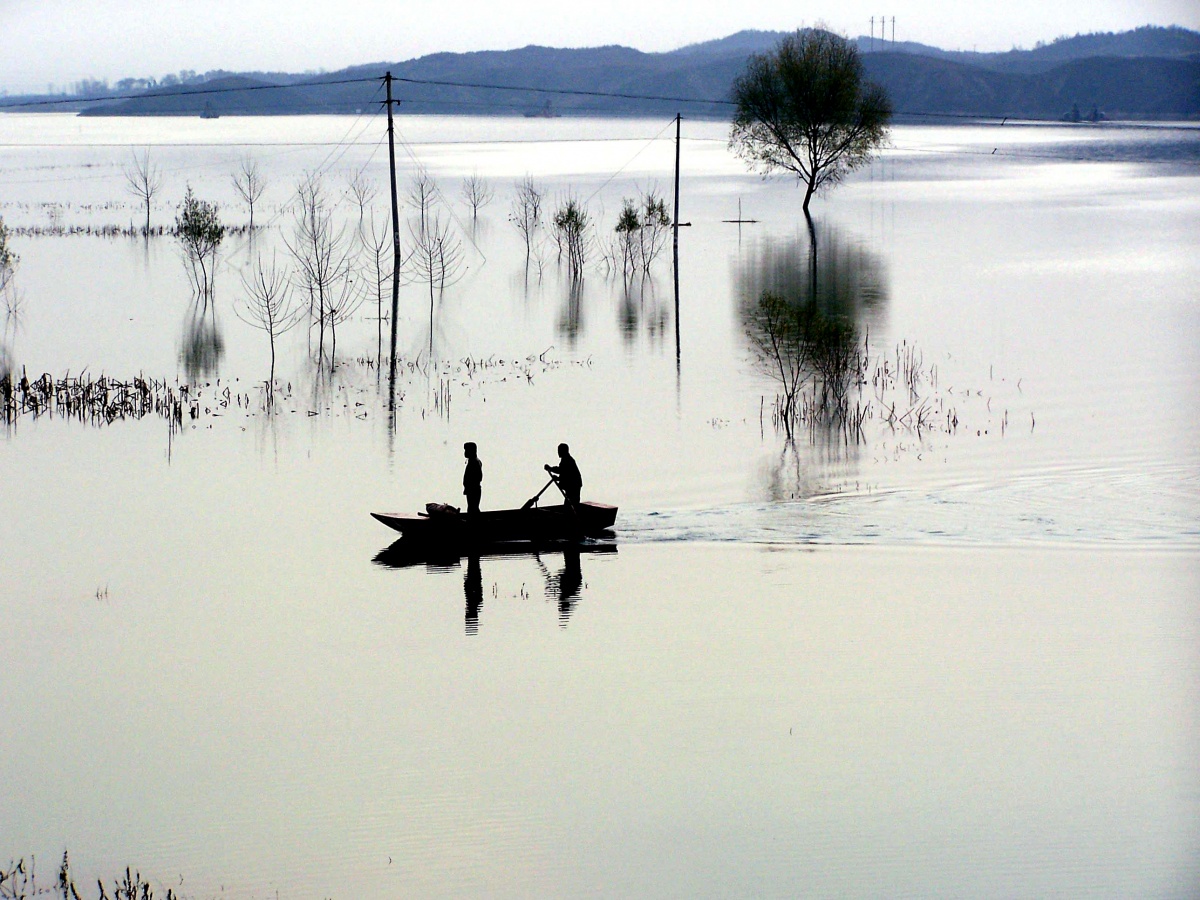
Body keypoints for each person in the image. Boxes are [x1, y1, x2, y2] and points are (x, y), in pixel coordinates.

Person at [545, 442, 582, 507]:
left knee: (571, 504)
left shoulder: (567, 460)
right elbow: (565, 473)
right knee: (569, 503)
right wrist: (558, 478)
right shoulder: (566, 459)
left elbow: (563, 471)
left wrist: (550, 469)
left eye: (559, 450)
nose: (558, 452)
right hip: (573, 485)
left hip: (573, 486)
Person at [463, 442, 482, 514]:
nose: (465, 452)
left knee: (473, 509)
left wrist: (470, 486)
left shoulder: (475, 462)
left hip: (473, 490)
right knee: (472, 508)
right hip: (471, 489)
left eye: (467, 450)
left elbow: (478, 477)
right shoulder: (472, 461)